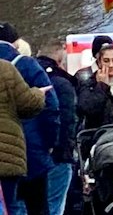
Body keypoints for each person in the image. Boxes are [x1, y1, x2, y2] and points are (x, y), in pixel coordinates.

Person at [0, 29, 54, 215]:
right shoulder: (7, 68)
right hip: (7, 153)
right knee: (10, 206)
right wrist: (39, 94)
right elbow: (27, 104)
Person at [25, 48, 74, 215]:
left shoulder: (23, 77)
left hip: (29, 155)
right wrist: (55, 144)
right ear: (60, 61)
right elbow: (66, 120)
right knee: (53, 205)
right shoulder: (62, 83)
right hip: (57, 154)